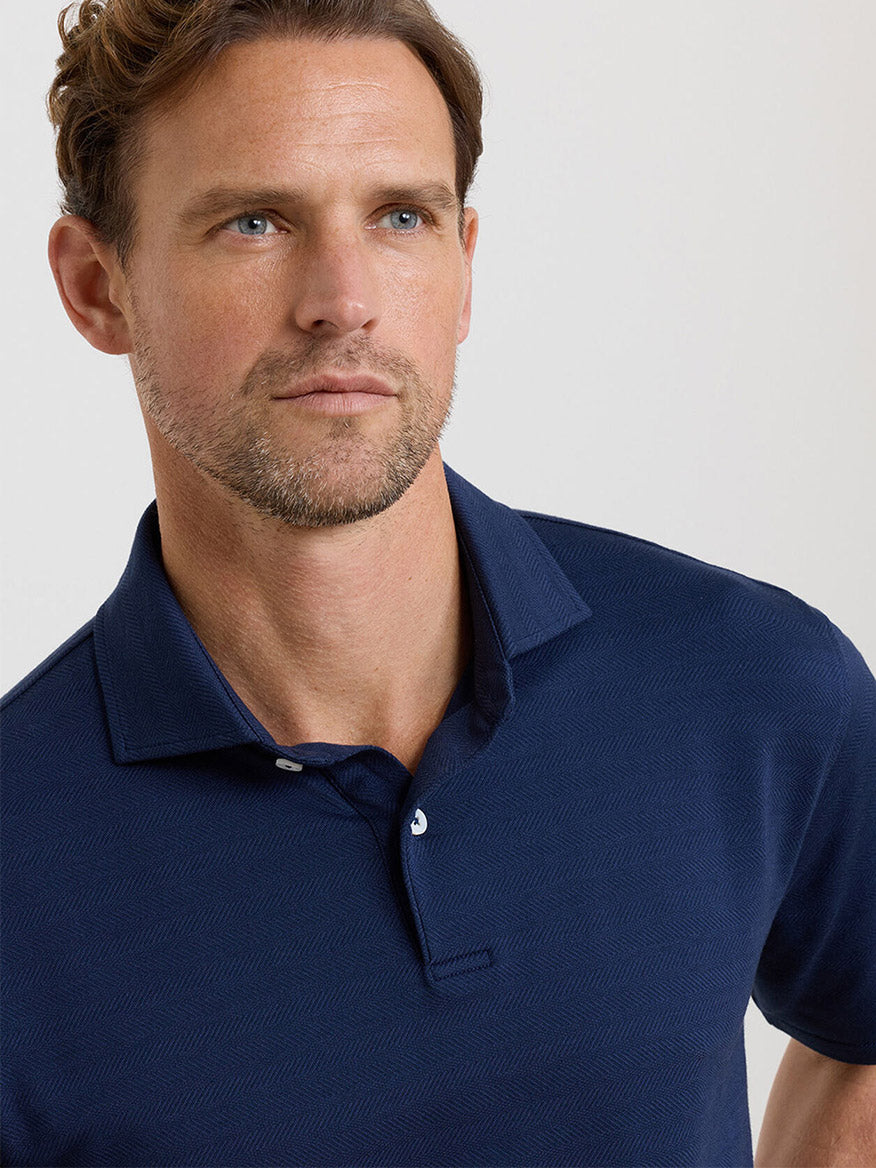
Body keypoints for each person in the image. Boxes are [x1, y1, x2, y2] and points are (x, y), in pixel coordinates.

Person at [2, 0, 874, 1164]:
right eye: (255, 221)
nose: (342, 300)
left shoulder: (754, 683)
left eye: (400, 215)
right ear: (97, 287)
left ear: (464, 267)